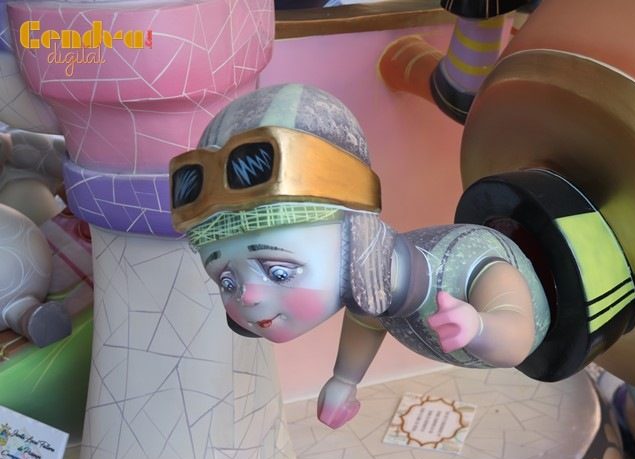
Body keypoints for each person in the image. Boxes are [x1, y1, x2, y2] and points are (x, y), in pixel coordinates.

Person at [170, 83, 550, 428]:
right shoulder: (378, 292)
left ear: (354, 236)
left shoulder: (467, 263)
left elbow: (518, 337)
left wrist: (479, 327)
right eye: (226, 280)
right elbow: (369, 315)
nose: (248, 296)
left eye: (279, 272)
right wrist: (344, 379)